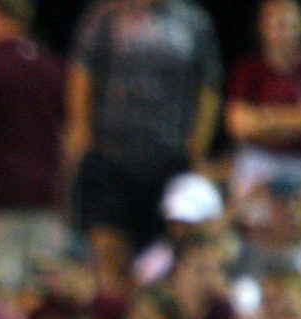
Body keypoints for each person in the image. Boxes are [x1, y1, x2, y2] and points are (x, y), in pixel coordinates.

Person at [65, 0, 223, 255]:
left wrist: (198, 145)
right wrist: (82, 132)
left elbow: (209, 85)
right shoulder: (104, 16)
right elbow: (82, 75)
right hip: (111, 158)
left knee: (164, 255)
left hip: (170, 159)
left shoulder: (193, 20)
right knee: (109, 252)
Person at [0, 0, 68, 292]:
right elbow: (67, 133)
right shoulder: (52, 64)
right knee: (44, 287)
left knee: (4, 289)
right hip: (46, 197)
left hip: (0, 198)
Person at [224, 0, 301, 198]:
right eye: (277, 24)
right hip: (260, 159)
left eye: (290, 23)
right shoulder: (247, 70)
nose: (284, 31)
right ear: (262, 29)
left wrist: (268, 118)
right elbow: (239, 126)